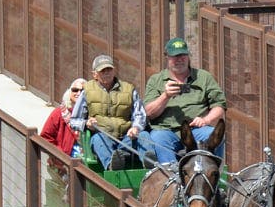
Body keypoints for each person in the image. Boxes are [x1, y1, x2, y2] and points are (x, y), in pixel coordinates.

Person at [140, 36, 226, 166]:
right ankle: (172, 175)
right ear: (167, 57)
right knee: (157, 139)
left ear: (188, 56)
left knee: (213, 134)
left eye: (183, 55)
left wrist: (205, 120)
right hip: (166, 131)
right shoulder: (156, 80)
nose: (179, 60)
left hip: (196, 130)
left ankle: (211, 173)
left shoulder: (203, 77)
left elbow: (219, 106)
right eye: (175, 56)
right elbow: (149, 113)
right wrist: (165, 96)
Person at [71, 54, 145, 170]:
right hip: (102, 137)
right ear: (95, 74)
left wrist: (136, 127)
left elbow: (139, 114)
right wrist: (86, 124)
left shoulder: (129, 89)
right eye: (102, 71)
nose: (107, 73)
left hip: (126, 138)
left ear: (114, 71)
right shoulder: (87, 91)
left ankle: (150, 165)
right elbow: (74, 120)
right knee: (98, 139)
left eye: (109, 69)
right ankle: (112, 165)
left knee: (144, 135)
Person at [40, 81, 83, 157]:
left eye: (82, 91)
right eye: (75, 90)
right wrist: (59, 155)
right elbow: (45, 137)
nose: (79, 93)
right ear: (69, 92)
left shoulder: (91, 114)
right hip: (65, 159)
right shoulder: (59, 113)